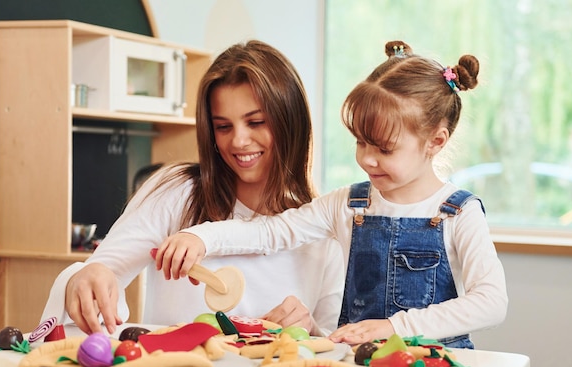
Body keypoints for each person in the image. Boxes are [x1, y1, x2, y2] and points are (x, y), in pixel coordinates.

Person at [155, 40, 508, 349]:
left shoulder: (459, 213)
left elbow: (491, 302)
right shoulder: (345, 205)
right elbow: (268, 232)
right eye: (360, 142)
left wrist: (394, 328)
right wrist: (200, 236)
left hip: (438, 366)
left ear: (436, 141)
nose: (367, 159)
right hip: (360, 364)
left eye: (384, 148)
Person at [40, 40, 345, 337]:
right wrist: (86, 278)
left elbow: (335, 344)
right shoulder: (176, 191)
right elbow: (104, 270)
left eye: (256, 122)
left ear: (291, 122)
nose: (238, 141)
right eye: (223, 127)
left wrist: (309, 328)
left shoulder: (321, 231)